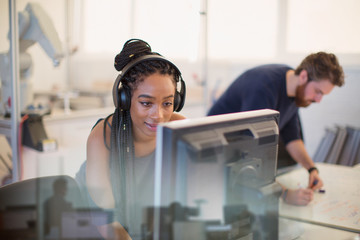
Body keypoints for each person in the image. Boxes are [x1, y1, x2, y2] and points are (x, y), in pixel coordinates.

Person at [78, 39, 186, 239]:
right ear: (125, 100)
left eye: (168, 103)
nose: (159, 115)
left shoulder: (180, 129)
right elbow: (106, 219)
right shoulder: (103, 137)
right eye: (146, 103)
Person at [208, 52, 345, 205]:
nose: (318, 100)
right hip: (216, 157)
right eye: (318, 92)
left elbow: (293, 139)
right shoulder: (263, 88)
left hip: (239, 158)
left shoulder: (294, 91)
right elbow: (252, 156)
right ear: (304, 76)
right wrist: (285, 194)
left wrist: (312, 169)